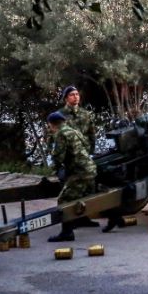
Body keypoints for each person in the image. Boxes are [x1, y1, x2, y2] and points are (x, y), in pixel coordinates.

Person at [46, 111, 97, 242]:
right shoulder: (74, 131)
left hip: (80, 172)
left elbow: (58, 156)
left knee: (64, 200)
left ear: (52, 124)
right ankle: (78, 221)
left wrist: (55, 170)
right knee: (83, 196)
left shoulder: (60, 134)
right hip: (90, 168)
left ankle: (67, 233)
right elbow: (87, 146)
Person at [58, 85, 97, 153]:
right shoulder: (59, 115)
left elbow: (92, 133)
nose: (75, 96)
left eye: (77, 94)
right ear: (66, 98)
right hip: (70, 155)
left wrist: (91, 150)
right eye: (72, 95)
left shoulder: (85, 113)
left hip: (87, 153)